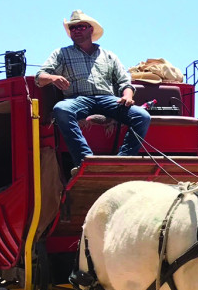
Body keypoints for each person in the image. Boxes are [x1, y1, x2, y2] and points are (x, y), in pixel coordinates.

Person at [36, 10, 150, 172]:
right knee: (61, 109)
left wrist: (127, 95)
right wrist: (53, 78)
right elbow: (40, 77)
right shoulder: (61, 53)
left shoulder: (109, 56)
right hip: (78, 100)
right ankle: (85, 162)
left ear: (91, 29)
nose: (75, 30)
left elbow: (124, 81)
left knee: (142, 116)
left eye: (80, 27)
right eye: (72, 28)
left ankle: (123, 161)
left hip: (108, 99)